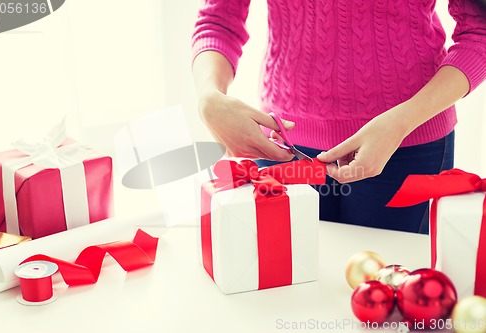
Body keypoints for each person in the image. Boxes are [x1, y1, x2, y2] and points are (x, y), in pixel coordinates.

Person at [191, 1, 486, 234]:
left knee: (392, 296)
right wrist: (209, 97)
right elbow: (219, 20)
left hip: (408, 144)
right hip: (282, 144)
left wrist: (401, 121)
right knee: (282, 293)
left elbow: (479, 31)